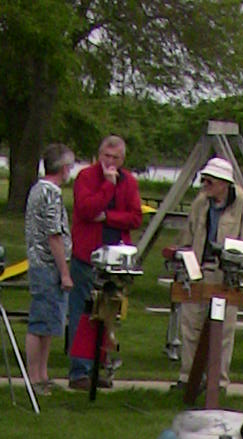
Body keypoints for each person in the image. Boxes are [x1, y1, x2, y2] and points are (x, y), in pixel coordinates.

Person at [178, 155, 243, 395]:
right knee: (190, 325)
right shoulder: (200, 203)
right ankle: (188, 379)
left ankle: (218, 383)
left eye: (210, 181)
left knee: (222, 331)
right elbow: (188, 235)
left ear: (224, 183)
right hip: (197, 271)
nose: (205, 185)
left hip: (225, 276)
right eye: (204, 180)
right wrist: (183, 261)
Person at [67, 134, 142, 390]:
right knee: (84, 312)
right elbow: (87, 210)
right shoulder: (86, 177)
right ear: (99, 156)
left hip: (115, 258)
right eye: (106, 156)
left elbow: (135, 217)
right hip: (88, 256)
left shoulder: (129, 182)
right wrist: (108, 186)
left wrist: (108, 217)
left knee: (107, 314)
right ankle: (79, 371)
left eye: (116, 158)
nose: (110, 162)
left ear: (123, 159)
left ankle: (99, 368)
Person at [24, 142, 74, 394]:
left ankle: (43, 374)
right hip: (47, 266)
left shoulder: (37, 189)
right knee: (40, 323)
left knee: (48, 325)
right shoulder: (51, 194)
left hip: (39, 263)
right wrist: (64, 272)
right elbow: (54, 235)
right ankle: (34, 377)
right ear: (63, 168)